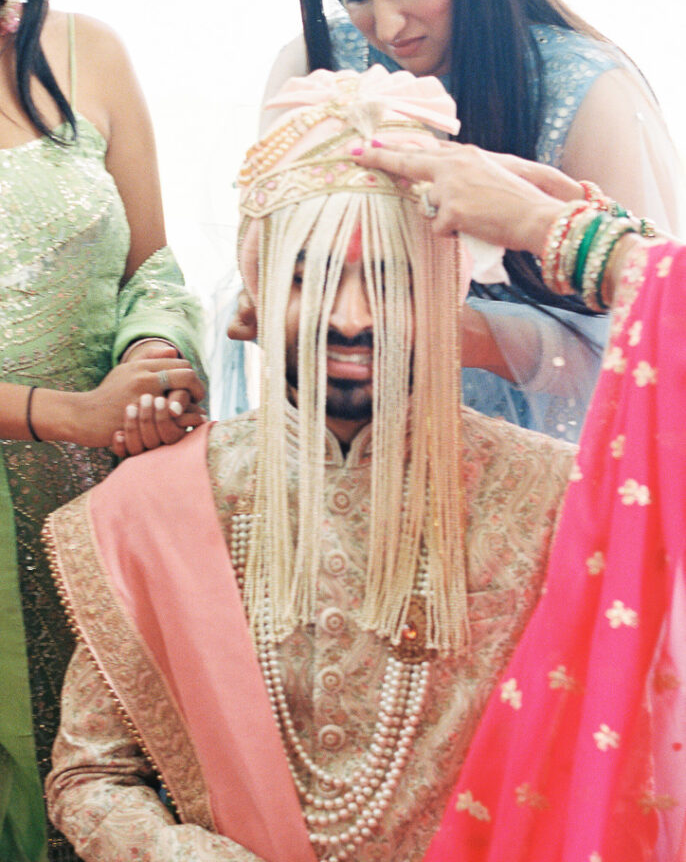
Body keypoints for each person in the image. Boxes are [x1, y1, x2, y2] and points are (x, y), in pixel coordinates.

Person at [45, 69, 684, 861]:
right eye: (310, 277)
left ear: (447, 292)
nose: (351, 320)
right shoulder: (154, 508)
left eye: (391, 279)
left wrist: (570, 223)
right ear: (255, 287)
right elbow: (93, 775)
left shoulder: (550, 498)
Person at [248, 0, 683, 441]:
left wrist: (448, 329)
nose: (387, 26)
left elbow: (633, 340)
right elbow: (265, 256)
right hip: (350, 443)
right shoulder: (315, 65)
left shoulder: (586, 93)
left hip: (532, 457)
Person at [0, 0, 206, 860]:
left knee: (119, 794)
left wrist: (157, 367)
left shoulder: (89, 52)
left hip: (102, 507)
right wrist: (59, 412)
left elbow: (152, 267)